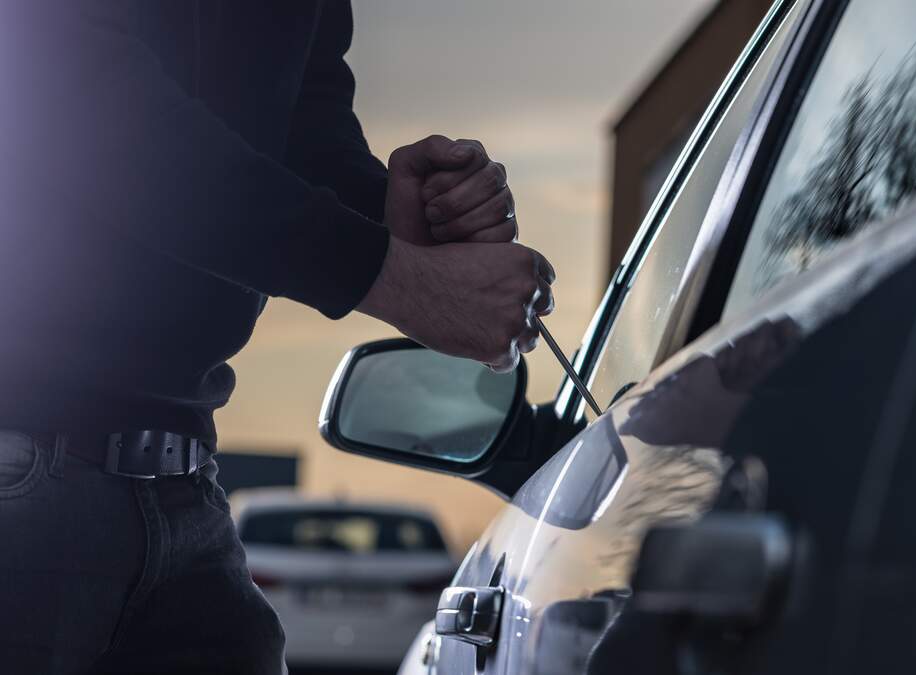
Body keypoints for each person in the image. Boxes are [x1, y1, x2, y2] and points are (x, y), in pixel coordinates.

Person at [0, 2, 552, 673]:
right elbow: (76, 100)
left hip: (182, 478)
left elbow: (301, 124)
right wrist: (399, 280)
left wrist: (394, 214)